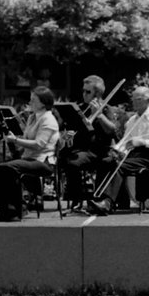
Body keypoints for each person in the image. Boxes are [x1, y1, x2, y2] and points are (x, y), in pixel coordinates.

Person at [89, 86, 149, 214]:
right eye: (133, 99)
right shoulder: (132, 120)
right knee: (107, 160)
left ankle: (107, 203)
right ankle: (111, 200)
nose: (133, 102)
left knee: (119, 165)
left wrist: (142, 142)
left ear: (148, 100)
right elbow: (125, 142)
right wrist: (116, 149)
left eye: (137, 99)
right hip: (134, 156)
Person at [0, 85, 59, 221]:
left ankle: (17, 208)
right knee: (0, 167)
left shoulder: (48, 119)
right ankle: (7, 207)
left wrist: (16, 140)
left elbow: (38, 144)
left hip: (44, 162)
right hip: (31, 159)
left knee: (9, 167)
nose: (30, 103)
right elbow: (28, 140)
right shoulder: (32, 118)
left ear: (43, 103)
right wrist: (14, 137)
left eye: (33, 100)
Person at [60, 75, 120, 208]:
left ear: (97, 94)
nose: (84, 94)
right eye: (83, 91)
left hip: (101, 151)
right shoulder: (79, 108)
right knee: (72, 162)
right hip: (83, 150)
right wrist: (67, 136)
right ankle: (76, 200)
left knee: (108, 162)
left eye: (88, 92)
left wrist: (99, 115)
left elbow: (113, 132)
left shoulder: (107, 109)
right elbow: (70, 129)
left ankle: (101, 200)